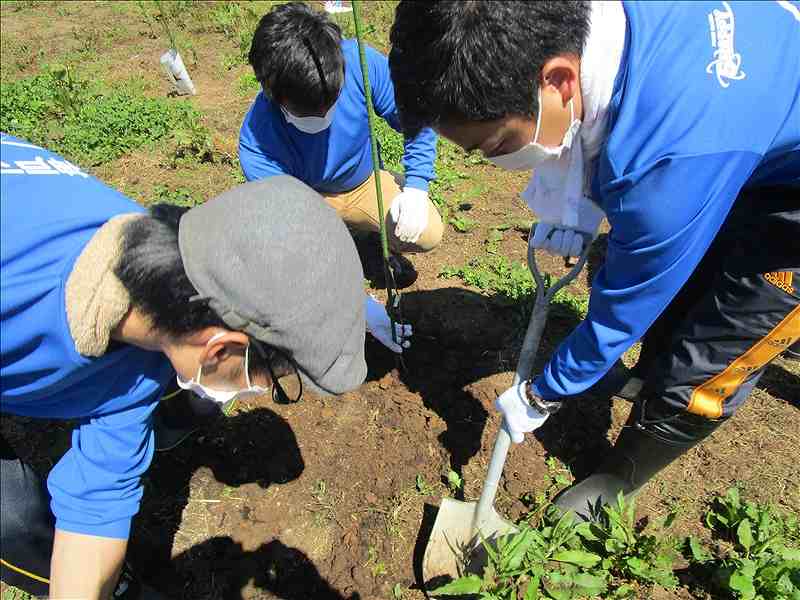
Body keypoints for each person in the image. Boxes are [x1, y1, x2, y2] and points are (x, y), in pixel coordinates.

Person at [389, 1, 799, 517]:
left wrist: (544, 393)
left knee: (721, 340)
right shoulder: (599, 24)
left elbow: (623, 310)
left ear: (558, 80)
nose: (490, 162)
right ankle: (648, 376)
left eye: (492, 144)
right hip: (750, 128)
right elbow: (600, 120)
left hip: (781, 197)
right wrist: (576, 210)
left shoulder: (665, 172)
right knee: (682, 289)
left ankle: (621, 474)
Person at [0, 133, 371, 598]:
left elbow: (96, 507)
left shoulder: (144, 342)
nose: (261, 393)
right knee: (10, 518)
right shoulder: (15, 285)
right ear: (219, 350)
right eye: (273, 380)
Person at [239, 1, 444, 290]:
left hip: (364, 184)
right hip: (308, 201)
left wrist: (416, 188)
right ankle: (352, 247)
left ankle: (367, 239)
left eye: (331, 103)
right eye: (308, 112)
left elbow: (416, 119)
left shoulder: (358, 63)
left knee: (427, 231)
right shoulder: (257, 142)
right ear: (273, 93)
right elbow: (293, 217)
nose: (323, 116)